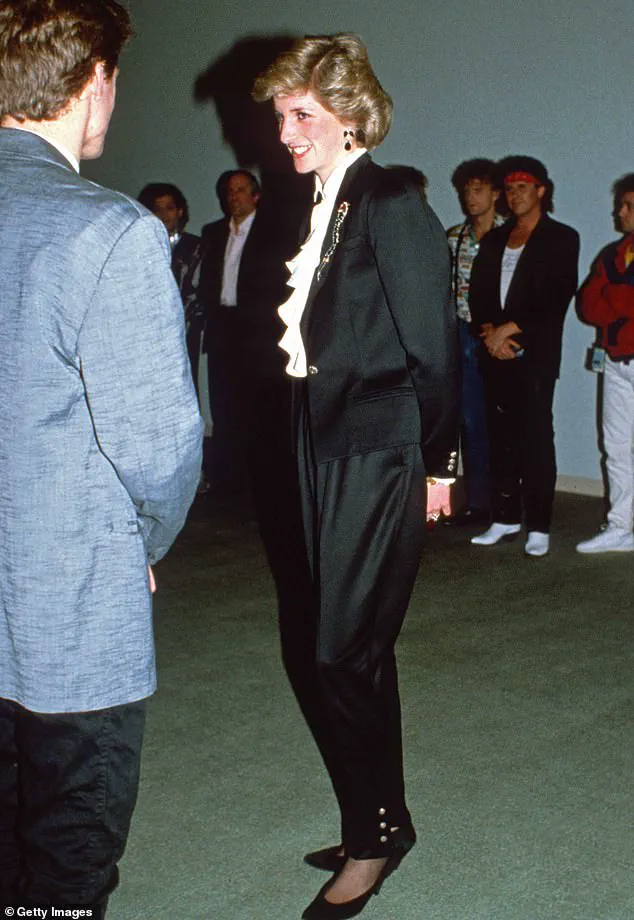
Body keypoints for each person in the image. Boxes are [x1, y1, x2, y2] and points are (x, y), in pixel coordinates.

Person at [0, 1, 203, 914]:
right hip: (65, 607)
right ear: (95, 82)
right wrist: (145, 546)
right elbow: (158, 451)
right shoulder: (110, 230)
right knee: (65, 860)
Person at [252, 33, 458, 919]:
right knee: (338, 647)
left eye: (302, 116)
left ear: (349, 116)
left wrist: (441, 465)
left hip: (378, 449)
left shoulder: (392, 201)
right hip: (318, 439)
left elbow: (435, 353)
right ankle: (378, 819)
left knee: (342, 649)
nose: (286, 134)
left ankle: (376, 843)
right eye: (282, 118)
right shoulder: (323, 205)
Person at [469, 156, 579, 557]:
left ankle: (539, 524)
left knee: (534, 435)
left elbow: (556, 296)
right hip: (495, 350)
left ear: (541, 192)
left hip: (533, 352)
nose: (515, 195)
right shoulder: (495, 240)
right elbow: (478, 294)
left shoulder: (562, 237)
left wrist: (509, 331)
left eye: (523, 187)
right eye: (510, 188)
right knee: (500, 435)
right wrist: (488, 333)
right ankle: (504, 517)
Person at [200, 169, 290, 498]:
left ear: (256, 196)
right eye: (229, 191)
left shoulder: (272, 235)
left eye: (240, 190)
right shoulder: (213, 233)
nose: (233, 197)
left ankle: (262, 486)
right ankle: (227, 483)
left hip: (259, 333)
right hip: (223, 327)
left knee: (260, 408)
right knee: (224, 406)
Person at [445, 158, 505, 524]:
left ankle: (509, 499)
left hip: (499, 336)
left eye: (478, 189)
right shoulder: (455, 238)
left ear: (495, 193)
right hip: (463, 335)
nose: (470, 196)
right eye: (466, 190)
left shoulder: (511, 235)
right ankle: (479, 502)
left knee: (506, 420)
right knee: (471, 420)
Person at [576, 174, 634, 553]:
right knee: (616, 444)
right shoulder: (612, 254)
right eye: (621, 205)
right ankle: (621, 526)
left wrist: (613, 296)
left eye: (629, 206)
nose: (620, 212)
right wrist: (619, 296)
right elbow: (586, 305)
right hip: (615, 361)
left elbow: (614, 301)